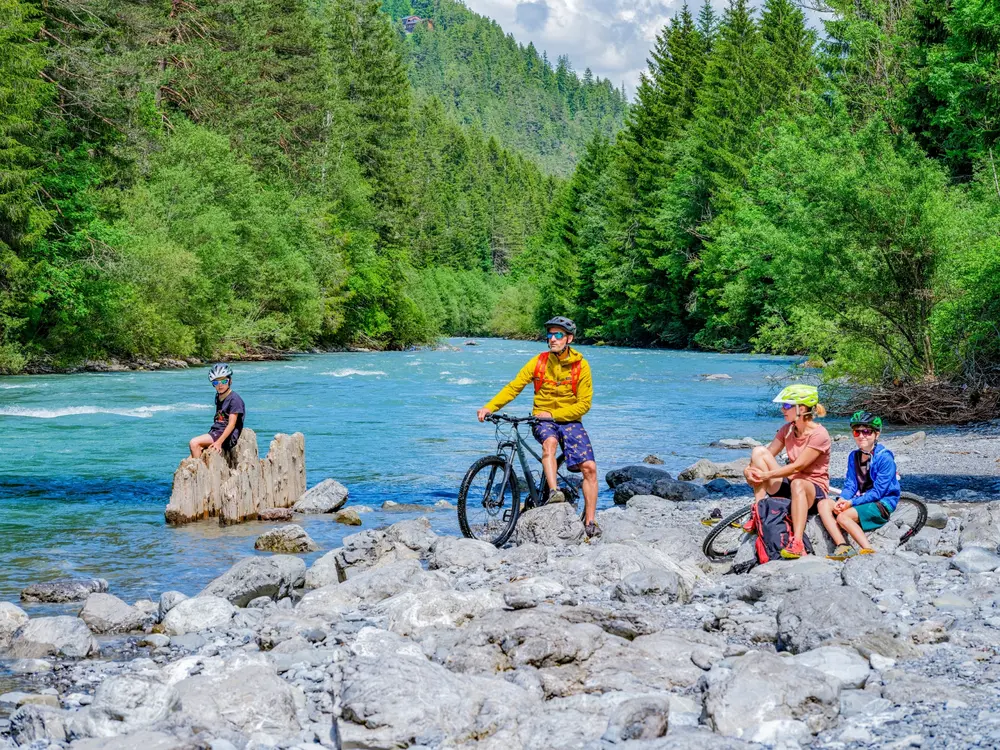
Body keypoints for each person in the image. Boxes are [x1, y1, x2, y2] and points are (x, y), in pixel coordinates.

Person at [477, 316, 601, 538]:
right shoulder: (538, 362)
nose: (552, 339)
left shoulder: (580, 366)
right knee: (550, 443)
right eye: (550, 334)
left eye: (558, 335)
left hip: (570, 420)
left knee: (589, 468)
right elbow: (514, 387)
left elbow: (584, 405)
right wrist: (489, 407)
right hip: (543, 421)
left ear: (569, 339)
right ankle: (554, 492)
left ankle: (591, 521)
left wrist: (554, 414)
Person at [743, 384, 831, 559]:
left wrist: (766, 476)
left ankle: (797, 542)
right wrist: (748, 470)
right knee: (758, 451)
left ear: (803, 408)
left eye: (788, 405)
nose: (783, 409)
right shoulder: (787, 429)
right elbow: (767, 454)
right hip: (790, 484)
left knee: (798, 482)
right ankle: (759, 512)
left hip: (813, 491)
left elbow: (798, 466)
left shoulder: (819, 435)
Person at [818, 411, 900, 560]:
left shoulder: (885, 458)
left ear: (876, 434)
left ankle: (868, 549)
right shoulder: (853, 456)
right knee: (824, 504)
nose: (861, 436)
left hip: (880, 503)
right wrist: (843, 499)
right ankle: (843, 546)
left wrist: (851, 503)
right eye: (857, 432)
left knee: (843, 517)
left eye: (867, 431)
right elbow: (851, 484)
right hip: (859, 499)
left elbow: (878, 492)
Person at [189, 363, 246, 458]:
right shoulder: (219, 396)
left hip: (227, 436)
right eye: (216, 383)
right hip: (216, 431)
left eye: (224, 381)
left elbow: (232, 424)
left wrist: (219, 442)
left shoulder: (235, 399)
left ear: (230, 381)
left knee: (194, 443)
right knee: (191, 456)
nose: (220, 385)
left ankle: (202, 472)